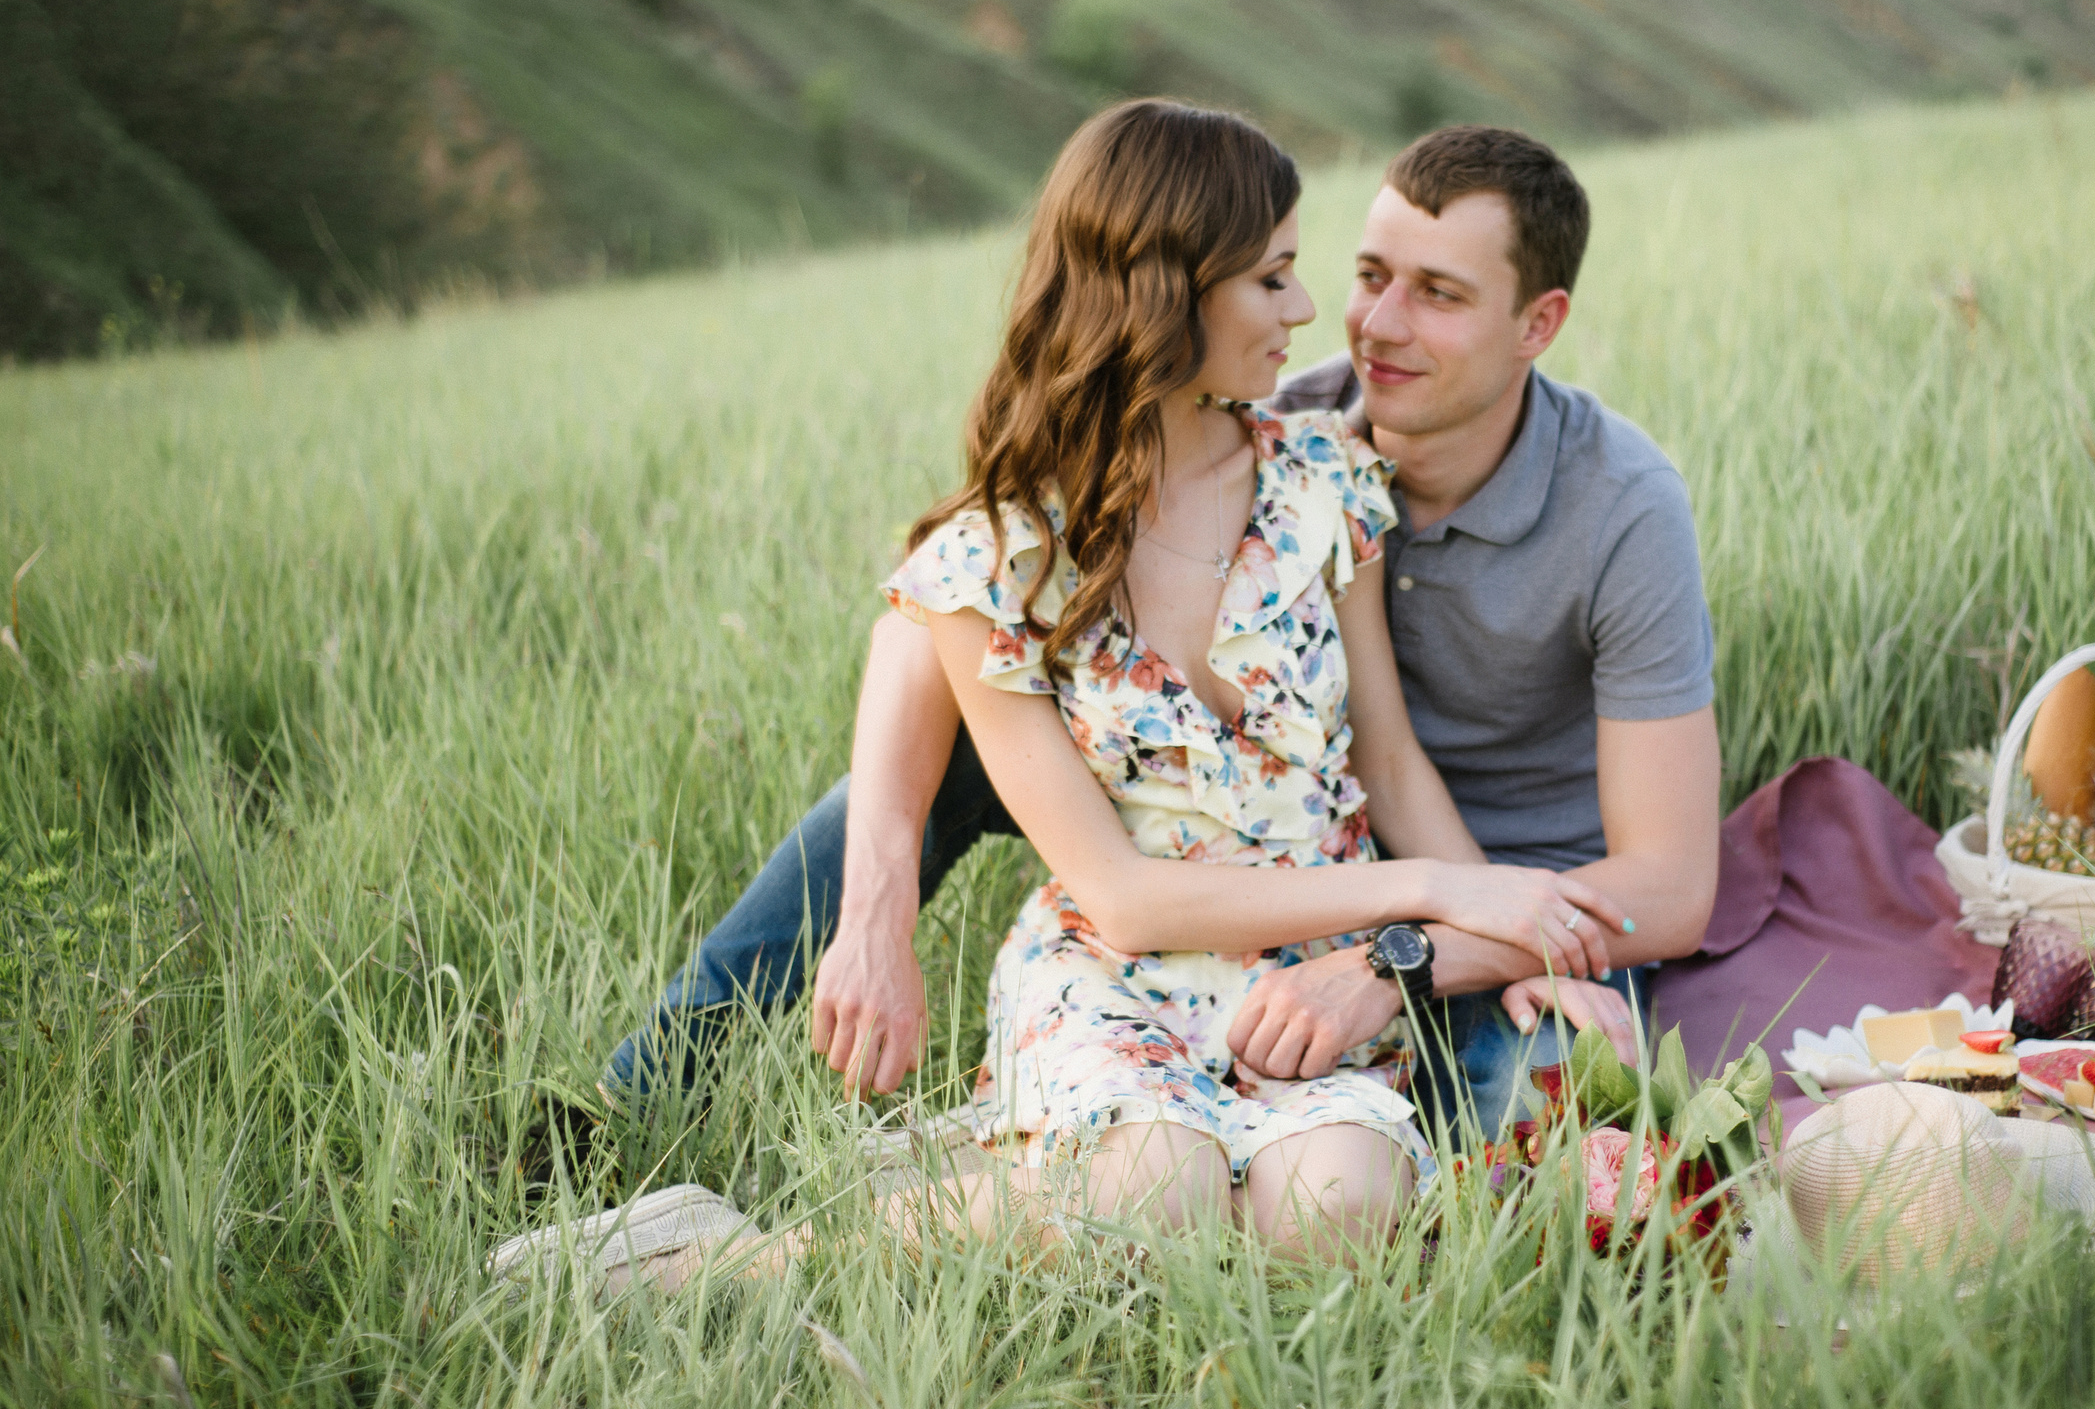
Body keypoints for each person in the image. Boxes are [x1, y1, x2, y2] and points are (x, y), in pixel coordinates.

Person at [603, 118, 1724, 1166]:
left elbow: (1656, 884)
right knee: (913, 779)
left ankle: (1010, 1163)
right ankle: (633, 1106)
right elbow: (934, 607)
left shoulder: (1607, 505)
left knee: (1522, 1170)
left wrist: (1448, 944)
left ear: (1539, 323)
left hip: (1483, 892)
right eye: (1368, 276)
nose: (1371, 325)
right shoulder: (1301, 413)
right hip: (1234, 819)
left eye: (1437, 294)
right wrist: (876, 901)